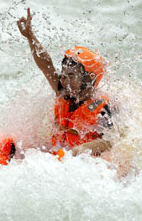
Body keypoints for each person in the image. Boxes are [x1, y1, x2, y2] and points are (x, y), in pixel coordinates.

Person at [17, 8, 113, 159]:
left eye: (71, 76)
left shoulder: (102, 108)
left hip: (80, 164)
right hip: (57, 156)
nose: (64, 80)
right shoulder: (64, 91)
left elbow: (111, 141)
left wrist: (80, 150)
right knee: (3, 144)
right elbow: (46, 65)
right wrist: (30, 37)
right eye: (64, 74)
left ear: (89, 80)